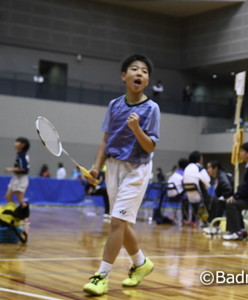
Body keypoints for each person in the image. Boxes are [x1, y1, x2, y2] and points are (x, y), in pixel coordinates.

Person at [82, 54, 160, 296]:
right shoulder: (114, 105)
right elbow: (105, 140)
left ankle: (101, 275)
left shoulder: (151, 109)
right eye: (134, 69)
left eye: (144, 71)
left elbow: (151, 147)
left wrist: (136, 129)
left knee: (116, 221)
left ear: (147, 81)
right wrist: (97, 167)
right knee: (121, 223)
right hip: (113, 168)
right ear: (124, 76)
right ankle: (140, 263)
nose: (139, 73)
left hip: (137, 168)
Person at [203, 160, 234, 234]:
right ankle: (213, 225)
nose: (207, 170)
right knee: (214, 200)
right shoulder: (219, 176)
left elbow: (228, 188)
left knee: (215, 201)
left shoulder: (221, 175)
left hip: (232, 198)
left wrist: (224, 197)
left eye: (209, 168)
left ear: (215, 168)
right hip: (229, 197)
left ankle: (213, 226)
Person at [183, 151, 211, 227]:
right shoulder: (199, 168)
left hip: (189, 196)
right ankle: (208, 221)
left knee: (198, 197)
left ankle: (194, 220)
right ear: (199, 159)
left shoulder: (186, 168)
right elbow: (208, 182)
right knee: (213, 199)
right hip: (199, 196)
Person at [4, 137, 30, 205]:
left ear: (23, 144)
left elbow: (23, 168)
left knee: (20, 199)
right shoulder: (19, 154)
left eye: (17, 142)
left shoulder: (22, 155)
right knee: (8, 197)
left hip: (22, 178)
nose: (15, 144)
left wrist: (10, 169)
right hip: (16, 177)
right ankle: (17, 212)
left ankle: (24, 214)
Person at [164, 158, 189, 224]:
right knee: (188, 197)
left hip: (169, 197)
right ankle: (186, 219)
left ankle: (185, 218)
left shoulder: (174, 174)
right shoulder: (184, 175)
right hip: (177, 197)